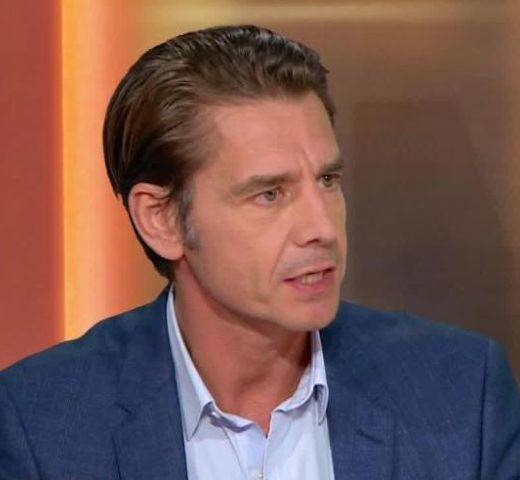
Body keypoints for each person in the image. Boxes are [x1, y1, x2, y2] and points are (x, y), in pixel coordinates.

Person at [0, 25, 519, 480]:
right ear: (162, 219)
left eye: (328, 180)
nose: (322, 228)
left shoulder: (460, 392)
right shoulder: (41, 426)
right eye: (270, 193)